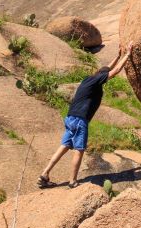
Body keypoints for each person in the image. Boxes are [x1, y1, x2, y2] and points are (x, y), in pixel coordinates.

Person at [38, 42, 132, 188]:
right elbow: (115, 70)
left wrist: (118, 56)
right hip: (80, 120)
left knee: (64, 146)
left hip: (70, 118)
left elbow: (107, 68)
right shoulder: (97, 80)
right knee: (79, 150)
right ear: (102, 77)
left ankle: (45, 173)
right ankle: (73, 181)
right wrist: (128, 55)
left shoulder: (89, 79)